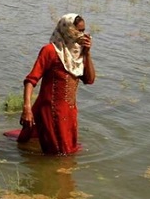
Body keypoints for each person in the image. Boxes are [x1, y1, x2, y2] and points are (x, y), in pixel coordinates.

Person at [18, 13, 95, 155]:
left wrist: (88, 54)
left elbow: (89, 80)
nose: (83, 35)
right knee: (57, 156)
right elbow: (30, 80)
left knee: (68, 153)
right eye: (79, 31)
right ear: (68, 30)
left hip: (70, 113)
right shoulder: (50, 51)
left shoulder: (78, 53)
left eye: (84, 30)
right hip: (51, 113)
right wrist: (27, 108)